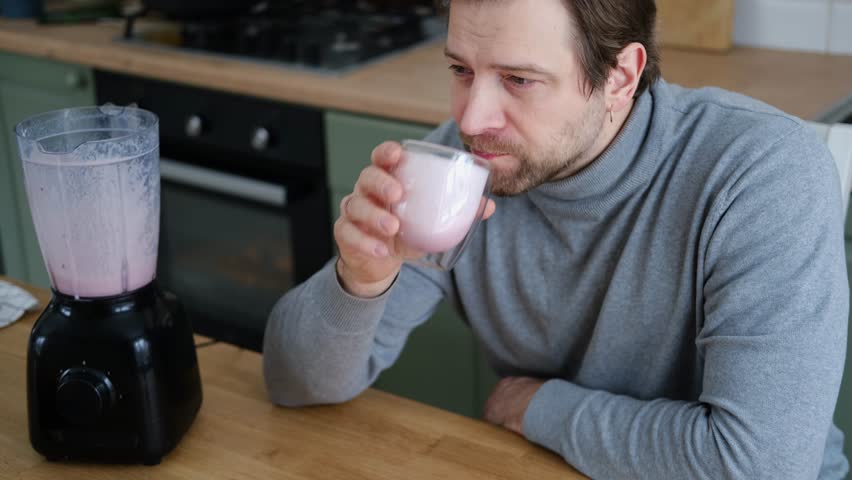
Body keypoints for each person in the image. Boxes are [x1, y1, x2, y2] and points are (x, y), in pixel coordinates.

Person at [262, 0, 850, 477]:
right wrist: (359, 279)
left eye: (518, 80)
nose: (471, 119)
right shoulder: (461, 169)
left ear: (621, 76)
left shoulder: (761, 171)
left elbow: (759, 466)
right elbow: (295, 385)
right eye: (461, 70)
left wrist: (539, 407)